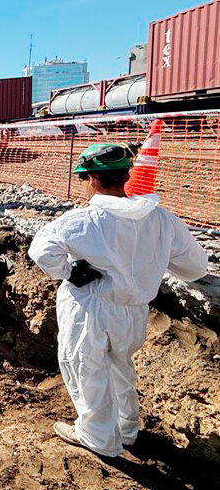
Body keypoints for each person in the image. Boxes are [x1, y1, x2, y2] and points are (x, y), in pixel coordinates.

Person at [29, 142, 207, 457]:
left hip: (91, 309)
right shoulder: (160, 219)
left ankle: (97, 437)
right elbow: (195, 266)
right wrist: (151, 259)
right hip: (134, 312)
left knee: (87, 368)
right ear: (123, 178)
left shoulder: (84, 220)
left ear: (93, 180)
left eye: (83, 178)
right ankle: (126, 430)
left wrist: (69, 272)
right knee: (120, 368)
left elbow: (41, 250)